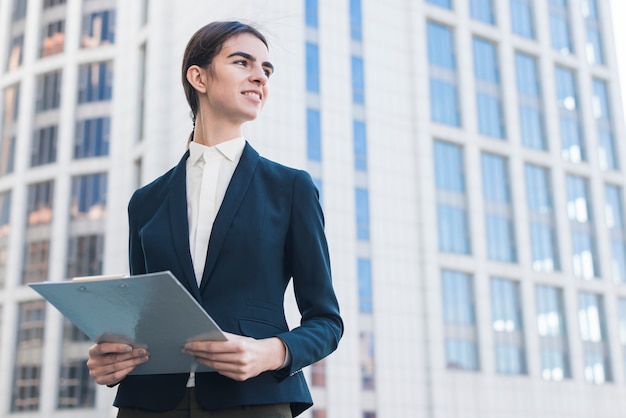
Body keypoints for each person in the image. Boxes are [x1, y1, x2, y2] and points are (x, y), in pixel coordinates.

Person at [86, 21, 343, 418]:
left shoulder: (290, 188)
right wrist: (115, 358)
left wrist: (269, 352)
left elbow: (326, 321)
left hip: (252, 399)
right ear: (199, 77)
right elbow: (145, 316)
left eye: (266, 70)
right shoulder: (145, 201)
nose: (259, 76)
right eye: (243, 62)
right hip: (150, 404)